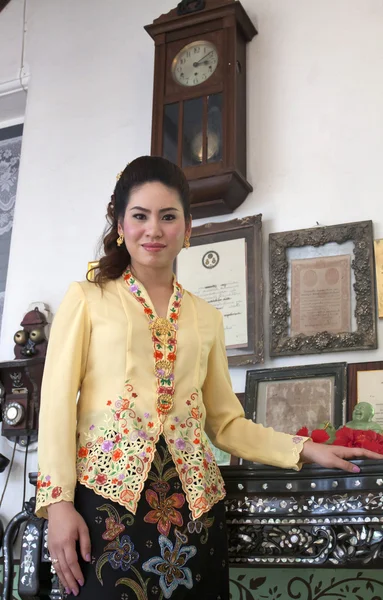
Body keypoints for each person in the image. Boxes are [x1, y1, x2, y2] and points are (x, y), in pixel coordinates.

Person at [35, 156, 381, 600]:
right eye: (140, 216)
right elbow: (57, 402)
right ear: (121, 224)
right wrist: (60, 503)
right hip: (106, 505)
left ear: (188, 227)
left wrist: (306, 449)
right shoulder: (88, 299)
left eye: (168, 217)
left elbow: (225, 423)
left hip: (194, 508)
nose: (154, 230)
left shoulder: (206, 317)